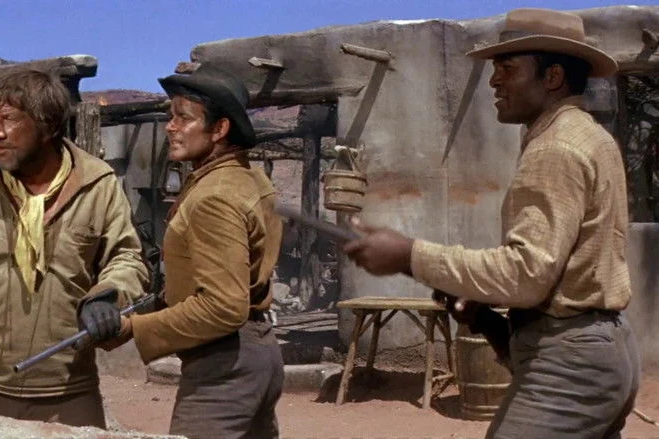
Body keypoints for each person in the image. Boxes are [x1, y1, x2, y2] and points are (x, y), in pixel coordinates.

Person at [343, 8, 640, 438]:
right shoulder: (589, 136)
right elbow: (565, 271)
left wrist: (409, 256)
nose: (494, 81)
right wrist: (486, 319)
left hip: (572, 363)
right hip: (600, 348)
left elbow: (527, 275)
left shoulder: (554, 148)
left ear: (552, 76)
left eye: (508, 68)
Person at [0, 69, 149, 428]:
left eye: (9, 120)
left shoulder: (98, 185)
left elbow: (126, 257)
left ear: (47, 126)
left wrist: (108, 295)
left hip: (68, 390)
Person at [110, 63, 284, 439]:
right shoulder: (249, 179)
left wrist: (135, 328)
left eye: (184, 118)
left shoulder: (213, 197)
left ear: (219, 129)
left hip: (223, 367)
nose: (170, 127)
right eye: (170, 116)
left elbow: (223, 307)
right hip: (258, 354)